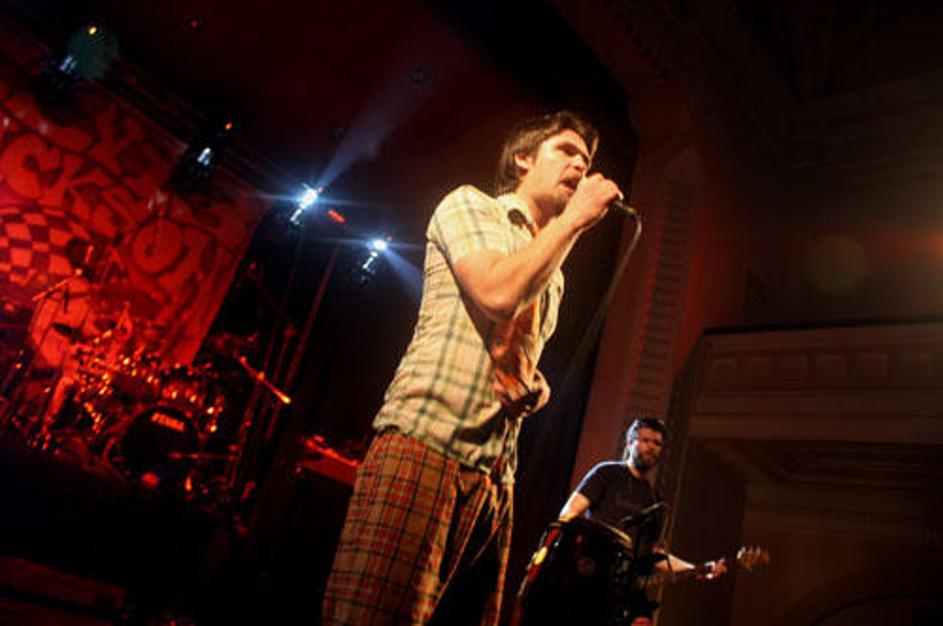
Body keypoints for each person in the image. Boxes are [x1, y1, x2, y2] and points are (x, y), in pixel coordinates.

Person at [322, 111, 622, 626]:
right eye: (566, 151)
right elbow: (498, 294)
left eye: (586, 158)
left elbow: (517, 354)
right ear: (523, 159)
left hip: (494, 478)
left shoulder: (554, 269)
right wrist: (574, 221)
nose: (580, 165)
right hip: (427, 443)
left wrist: (537, 388)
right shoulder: (470, 206)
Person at [558, 416, 728, 625]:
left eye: (657, 443)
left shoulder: (655, 500)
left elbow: (655, 553)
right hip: (588, 576)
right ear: (630, 443)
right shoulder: (607, 473)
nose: (651, 447)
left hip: (622, 592)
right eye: (645, 440)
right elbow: (568, 514)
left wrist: (696, 569)